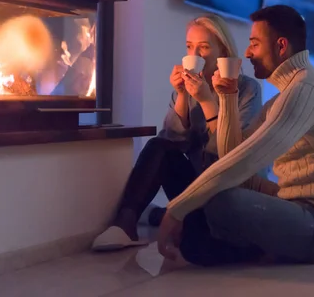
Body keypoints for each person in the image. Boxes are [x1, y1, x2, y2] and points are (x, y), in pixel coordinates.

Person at [157, 5, 314, 266]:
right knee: (216, 193)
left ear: (281, 46)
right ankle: (212, 240)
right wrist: (227, 96)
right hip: (300, 207)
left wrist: (175, 210)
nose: (247, 53)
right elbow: (232, 152)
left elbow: (243, 162)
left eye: (255, 44)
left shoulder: (305, 91)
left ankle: (233, 244)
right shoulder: (289, 92)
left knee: (222, 202)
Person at [92, 14, 262, 251]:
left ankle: (163, 216)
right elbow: (169, 143)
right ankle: (125, 224)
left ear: (222, 51)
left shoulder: (247, 89)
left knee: (196, 243)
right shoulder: (190, 88)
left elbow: (228, 156)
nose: (194, 56)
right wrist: (182, 96)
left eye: (203, 47)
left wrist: (206, 101)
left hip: (228, 189)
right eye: (189, 47)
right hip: (193, 186)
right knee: (157, 145)